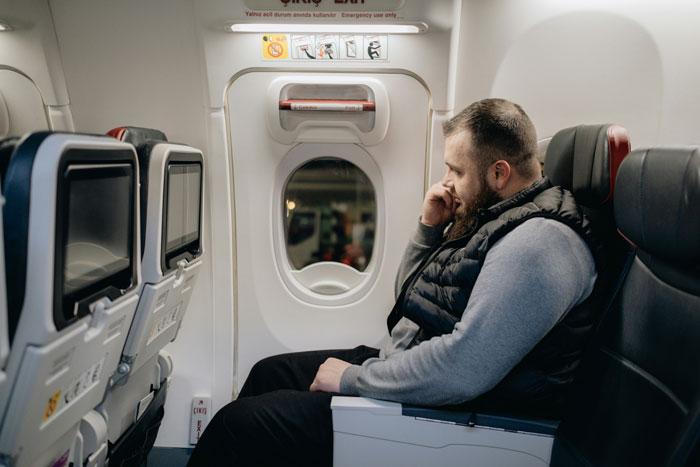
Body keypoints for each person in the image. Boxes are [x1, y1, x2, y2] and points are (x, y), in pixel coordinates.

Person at [187, 98, 598, 467]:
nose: (447, 181)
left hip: (456, 417)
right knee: (268, 374)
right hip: (413, 370)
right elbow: (409, 304)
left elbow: (463, 370)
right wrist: (429, 228)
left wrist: (354, 379)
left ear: (499, 172)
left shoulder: (539, 244)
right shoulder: (497, 215)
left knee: (235, 427)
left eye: (456, 169)